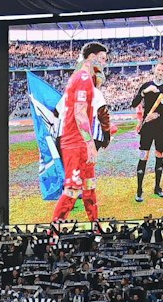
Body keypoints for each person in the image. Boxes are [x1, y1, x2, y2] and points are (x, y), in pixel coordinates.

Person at [50, 41, 112, 224]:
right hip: (75, 142)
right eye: (102, 59)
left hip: (77, 140)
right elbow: (79, 114)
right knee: (73, 189)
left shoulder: (81, 78)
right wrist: (90, 144)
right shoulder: (83, 78)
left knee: (89, 186)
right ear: (91, 57)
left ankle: (95, 227)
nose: (104, 63)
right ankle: (52, 234)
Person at [132, 61, 163, 203]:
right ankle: (139, 190)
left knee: (159, 155)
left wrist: (159, 115)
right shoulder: (146, 86)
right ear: (154, 70)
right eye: (158, 69)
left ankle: (157, 187)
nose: (160, 72)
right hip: (147, 127)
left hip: (161, 126)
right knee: (143, 156)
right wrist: (145, 92)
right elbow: (134, 103)